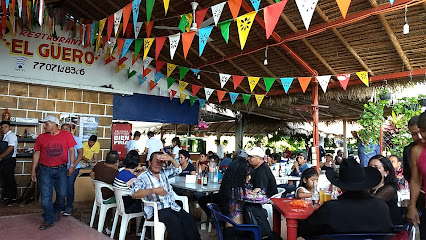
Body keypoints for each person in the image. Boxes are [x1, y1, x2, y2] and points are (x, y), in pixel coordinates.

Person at [299, 157, 393, 237]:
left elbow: (306, 230)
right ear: (366, 184)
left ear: (341, 187)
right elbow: (388, 231)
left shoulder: (330, 208)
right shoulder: (381, 207)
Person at [131, 152, 200, 240]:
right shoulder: (142, 177)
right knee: (175, 222)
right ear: (149, 162)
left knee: (189, 219)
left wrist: (171, 159)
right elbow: (134, 194)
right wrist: (153, 190)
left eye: (161, 162)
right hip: (156, 210)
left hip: (172, 206)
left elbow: (178, 170)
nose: (158, 164)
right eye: (156, 161)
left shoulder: (164, 173)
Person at [31, 115, 76, 230]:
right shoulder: (41, 137)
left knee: (62, 194)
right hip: (45, 170)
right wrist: (33, 170)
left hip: (61, 169)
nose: (44, 126)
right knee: (46, 197)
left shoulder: (66, 135)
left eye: (46, 124)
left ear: (54, 124)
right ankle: (48, 219)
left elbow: (72, 151)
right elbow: (36, 153)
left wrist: (72, 165)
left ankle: (55, 211)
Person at [217, 157, 270, 239]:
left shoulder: (228, 187)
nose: (249, 178)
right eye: (247, 175)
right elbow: (264, 198)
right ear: (239, 175)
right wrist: (257, 191)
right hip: (237, 232)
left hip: (229, 229)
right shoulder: (239, 192)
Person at [368, 155, 404, 225]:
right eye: (370, 167)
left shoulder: (389, 189)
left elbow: (371, 204)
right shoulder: (367, 187)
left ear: (386, 172)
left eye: (376, 167)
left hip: (388, 231)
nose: (372, 170)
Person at [407, 112, 426, 238]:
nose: (423, 135)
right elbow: (415, 180)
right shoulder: (417, 151)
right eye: (423, 130)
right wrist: (412, 205)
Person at [61, 123, 83, 216]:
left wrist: (73, 166)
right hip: (62, 167)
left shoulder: (76, 139)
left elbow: (81, 154)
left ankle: (69, 206)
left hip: (74, 167)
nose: (65, 130)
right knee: (61, 187)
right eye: (63, 129)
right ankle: (61, 206)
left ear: (70, 130)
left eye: (67, 129)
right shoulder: (60, 139)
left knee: (69, 186)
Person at [0, 121, 18, 206]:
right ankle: (7, 197)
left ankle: (13, 197)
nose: (4, 129)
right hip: (5, 160)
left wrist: (1, 156)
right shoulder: (4, 136)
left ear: (10, 127)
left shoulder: (11, 136)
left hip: (10, 159)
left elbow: (11, 147)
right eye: (2, 127)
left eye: (6, 127)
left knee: (10, 178)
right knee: (5, 178)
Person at [403, 115, 424, 182]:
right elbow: (408, 175)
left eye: (421, 132)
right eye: (414, 134)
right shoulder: (409, 150)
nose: (419, 137)